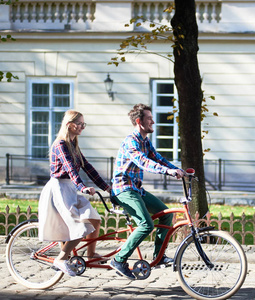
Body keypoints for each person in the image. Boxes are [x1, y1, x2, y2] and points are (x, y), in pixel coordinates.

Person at [110, 103, 185, 279]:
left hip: (136, 189)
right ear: (139, 121)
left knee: (166, 214)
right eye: (149, 118)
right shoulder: (131, 142)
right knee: (146, 224)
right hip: (123, 189)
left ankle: (158, 257)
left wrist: (178, 170)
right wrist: (167, 171)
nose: (153, 121)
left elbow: (158, 158)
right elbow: (143, 161)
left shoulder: (145, 141)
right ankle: (119, 260)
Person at [38, 110, 111, 276]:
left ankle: (91, 254)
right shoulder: (61, 144)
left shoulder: (74, 145)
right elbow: (70, 168)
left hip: (70, 187)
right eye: (80, 124)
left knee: (94, 219)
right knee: (80, 227)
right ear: (69, 125)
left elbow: (88, 168)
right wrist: (82, 186)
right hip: (59, 189)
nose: (82, 127)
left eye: (83, 124)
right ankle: (62, 258)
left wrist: (106, 187)